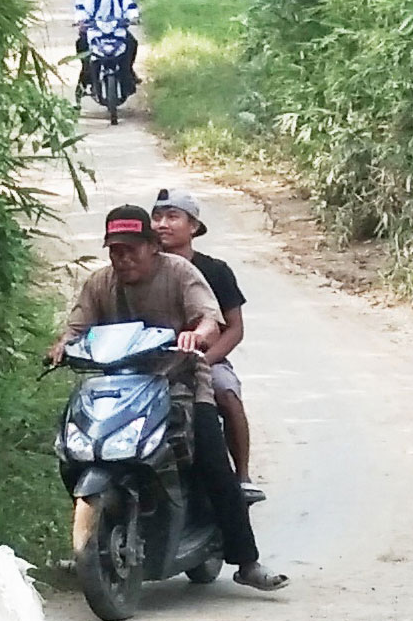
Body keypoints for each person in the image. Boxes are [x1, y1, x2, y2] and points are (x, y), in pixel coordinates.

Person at [53, 204, 285, 591]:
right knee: (73, 454)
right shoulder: (100, 284)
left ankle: (246, 560)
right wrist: (61, 346)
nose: (123, 259)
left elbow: (210, 319)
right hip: (120, 388)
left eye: (131, 249)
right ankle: (90, 539)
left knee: (213, 463)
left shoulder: (180, 273)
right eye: (116, 251)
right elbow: (76, 328)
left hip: (183, 385)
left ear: (151, 246)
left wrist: (198, 334)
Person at [147, 188, 258, 502]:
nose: (162, 224)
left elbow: (234, 329)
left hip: (207, 358)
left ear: (193, 226)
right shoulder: (142, 267)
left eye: (172, 217)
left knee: (226, 393)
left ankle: (242, 476)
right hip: (151, 360)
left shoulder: (216, 271)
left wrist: (204, 361)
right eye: (156, 217)